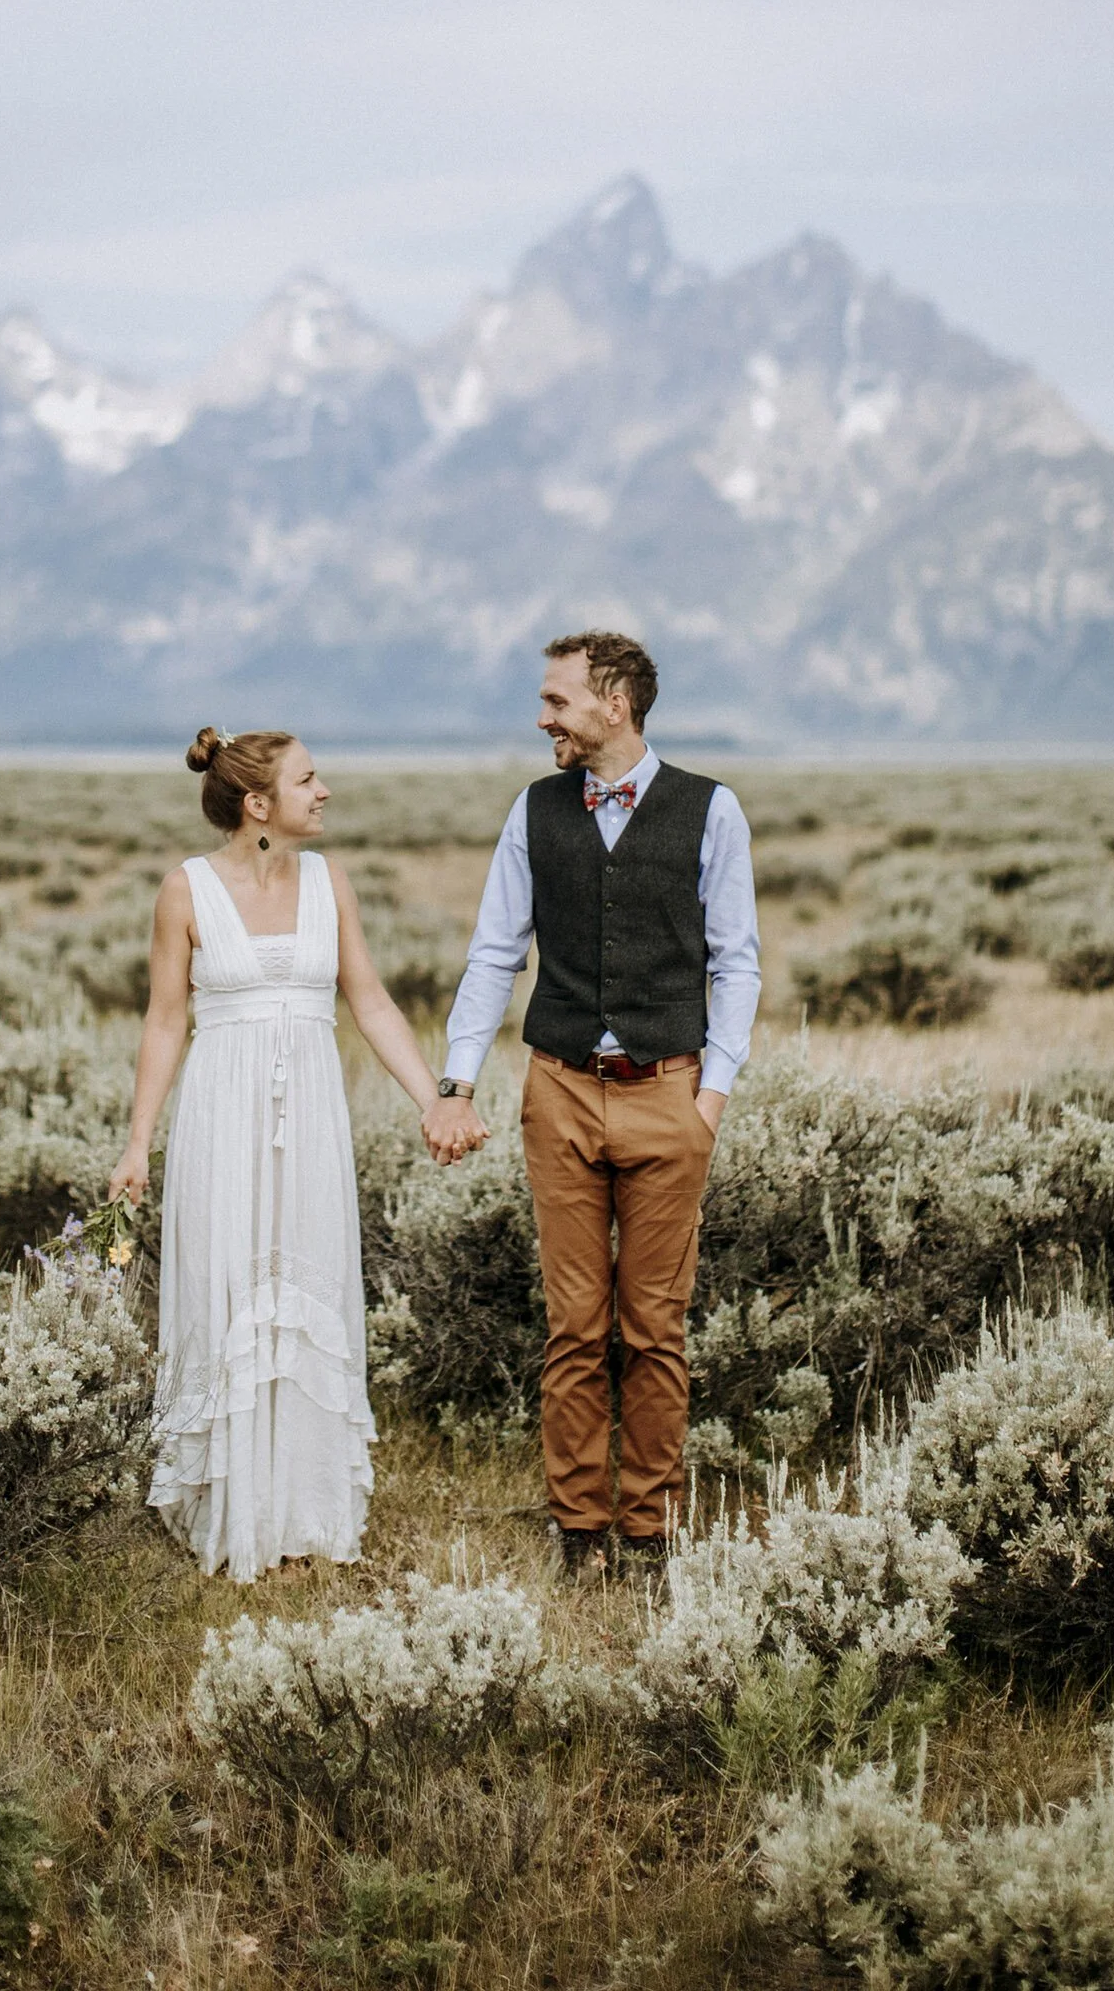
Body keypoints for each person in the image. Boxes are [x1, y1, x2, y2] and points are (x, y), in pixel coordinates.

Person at [422, 632, 761, 1576]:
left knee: (655, 1329)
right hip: (561, 1093)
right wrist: (458, 1081)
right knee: (574, 1325)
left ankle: (649, 1532)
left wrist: (713, 1095)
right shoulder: (535, 811)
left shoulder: (710, 810)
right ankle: (578, 1530)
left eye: (557, 701)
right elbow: (495, 953)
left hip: (670, 1097)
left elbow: (737, 960)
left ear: (615, 705)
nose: (543, 719)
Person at [109, 726, 458, 1583]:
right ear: (257, 805)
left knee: (304, 1287)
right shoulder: (184, 891)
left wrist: (435, 1099)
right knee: (227, 1293)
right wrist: (137, 1144)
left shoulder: (326, 882)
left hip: (310, 1123)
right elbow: (165, 1022)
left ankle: (302, 1518)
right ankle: (229, 1517)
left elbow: (369, 1002)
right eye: (309, 780)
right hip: (219, 1125)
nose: (325, 791)